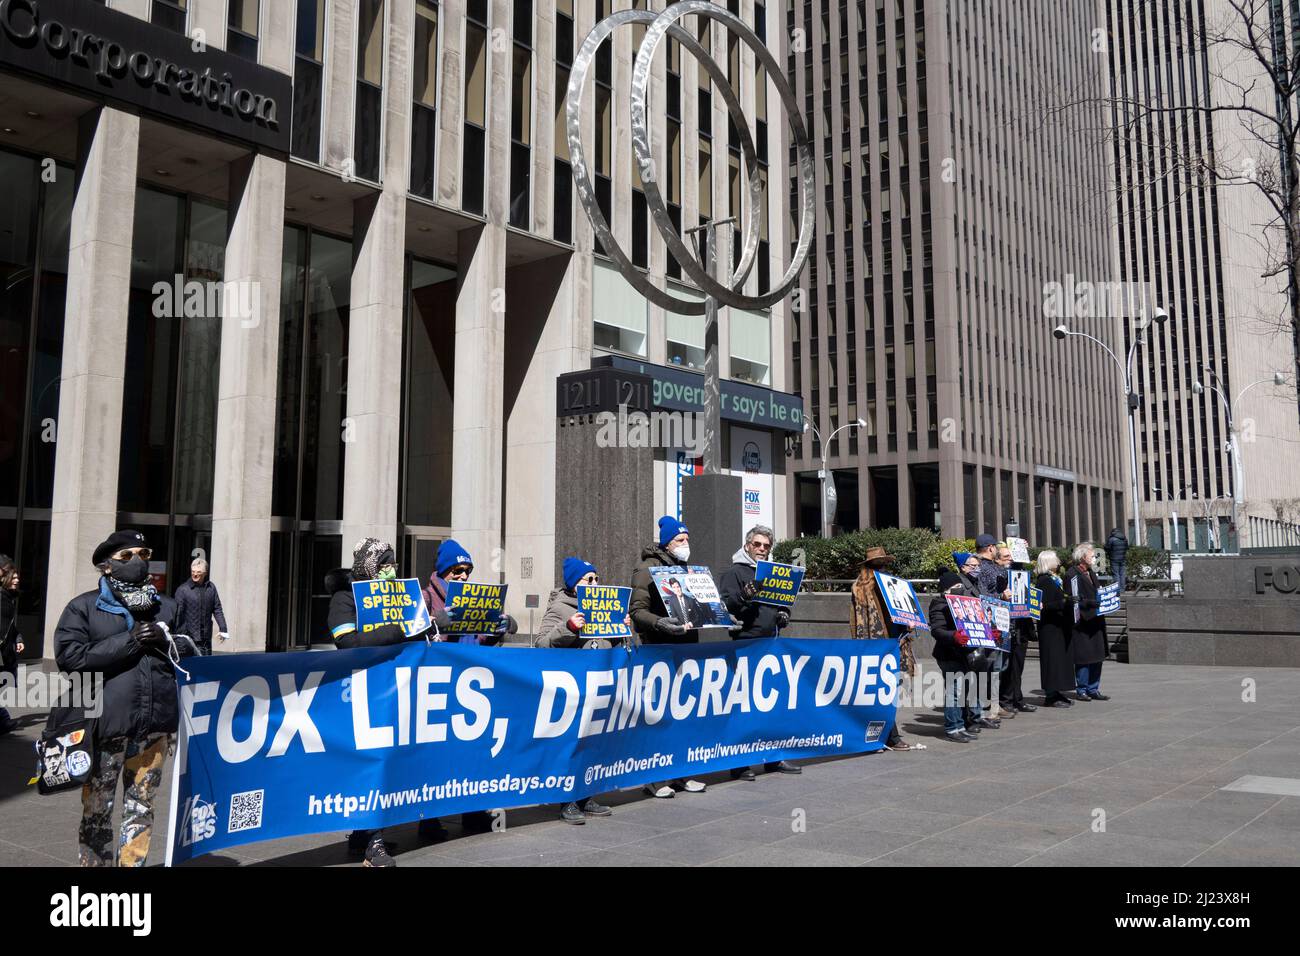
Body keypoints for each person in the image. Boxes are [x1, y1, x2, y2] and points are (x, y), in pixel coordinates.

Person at [54, 530, 193, 866]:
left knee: (142, 808)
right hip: (106, 728)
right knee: (97, 810)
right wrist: (129, 641)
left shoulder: (168, 606)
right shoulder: (84, 606)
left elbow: (194, 650)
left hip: (155, 729)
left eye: (143, 554)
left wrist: (169, 644)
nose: (137, 562)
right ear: (107, 565)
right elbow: (70, 658)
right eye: (126, 556)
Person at [327, 537, 439, 867]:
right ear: (370, 567)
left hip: (397, 692)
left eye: (394, 563)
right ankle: (373, 845)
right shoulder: (344, 598)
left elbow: (418, 634)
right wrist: (399, 630)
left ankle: (364, 832)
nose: (392, 570)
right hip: (362, 694)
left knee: (388, 760)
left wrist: (428, 627)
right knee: (373, 763)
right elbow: (348, 643)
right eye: (385, 563)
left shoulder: (401, 599)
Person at [533, 557, 618, 823]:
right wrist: (569, 628)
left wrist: (619, 629)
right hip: (573, 686)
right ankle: (566, 798)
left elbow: (608, 644)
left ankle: (585, 795)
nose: (594, 584)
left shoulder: (601, 605)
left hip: (597, 683)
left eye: (596, 579)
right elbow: (542, 644)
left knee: (591, 742)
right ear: (573, 584)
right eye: (587, 580)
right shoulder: (560, 608)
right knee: (570, 743)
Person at [630, 516, 708, 796]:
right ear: (667, 542)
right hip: (659, 649)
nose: (686, 544)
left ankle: (681, 773)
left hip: (685, 649)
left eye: (687, 539)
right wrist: (659, 623)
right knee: (658, 715)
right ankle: (653, 777)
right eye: (680, 539)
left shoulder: (686, 569)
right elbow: (637, 611)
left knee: (683, 714)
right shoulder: (647, 568)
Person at [716, 525, 800, 778]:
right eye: (757, 544)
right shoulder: (734, 572)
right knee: (744, 705)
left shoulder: (775, 572)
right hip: (745, 643)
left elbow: (781, 602)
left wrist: (784, 613)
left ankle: (773, 758)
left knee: (773, 704)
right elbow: (726, 605)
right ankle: (739, 764)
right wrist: (743, 596)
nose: (762, 549)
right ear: (747, 545)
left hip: (771, 642)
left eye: (766, 546)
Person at [849, 546, 917, 752]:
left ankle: (880, 735)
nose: (883, 567)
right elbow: (860, 620)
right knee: (882, 691)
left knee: (887, 691)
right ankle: (889, 736)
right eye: (879, 564)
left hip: (894, 641)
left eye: (885, 563)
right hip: (878, 644)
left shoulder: (892, 584)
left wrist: (909, 621)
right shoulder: (862, 587)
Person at [422, 539, 518, 645]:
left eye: (468, 571)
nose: (464, 576)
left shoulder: (472, 598)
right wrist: (434, 624)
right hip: (441, 660)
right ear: (444, 569)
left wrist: (498, 629)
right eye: (458, 570)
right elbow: (408, 638)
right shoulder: (426, 597)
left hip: (469, 660)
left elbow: (481, 643)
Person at [928, 571, 987, 742]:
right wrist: (954, 636)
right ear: (946, 589)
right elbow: (937, 630)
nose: (960, 589)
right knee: (955, 692)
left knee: (961, 692)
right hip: (948, 654)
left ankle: (960, 725)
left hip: (962, 653)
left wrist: (989, 634)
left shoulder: (963, 603)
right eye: (956, 587)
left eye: (961, 586)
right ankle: (952, 728)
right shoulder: (939, 604)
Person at [1063, 542, 1109, 702]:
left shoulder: (1091, 573)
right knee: (1084, 657)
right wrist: (1089, 603)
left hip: (1096, 620)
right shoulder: (1072, 574)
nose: (1094, 557)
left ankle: (1093, 688)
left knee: (1098, 655)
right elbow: (1071, 598)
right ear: (1083, 557)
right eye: (1092, 555)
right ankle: (1082, 689)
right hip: (1083, 621)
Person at [996, 545, 1036, 715]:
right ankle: (1006, 700)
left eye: (1011, 557)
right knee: (1006, 667)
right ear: (997, 559)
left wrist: (1021, 548)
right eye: (1006, 557)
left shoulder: (1018, 573)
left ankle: (1017, 698)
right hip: (1005, 626)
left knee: (1017, 666)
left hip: (1021, 625)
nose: (1010, 559)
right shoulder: (997, 575)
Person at [1034, 550, 1076, 707]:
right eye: (1056, 559)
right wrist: (1064, 603)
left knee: (1059, 660)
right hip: (1050, 627)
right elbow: (1042, 606)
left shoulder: (1054, 579)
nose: (1058, 562)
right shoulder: (1044, 581)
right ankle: (1051, 694)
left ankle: (1057, 691)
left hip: (1059, 625)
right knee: (1052, 660)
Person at [173, 558, 228, 655]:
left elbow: (217, 609)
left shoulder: (211, 587)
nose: (195, 574)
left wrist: (223, 628)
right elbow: (177, 615)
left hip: (206, 638)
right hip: (189, 638)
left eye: (199, 572)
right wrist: (180, 636)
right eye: (193, 571)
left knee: (207, 666)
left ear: (205, 573)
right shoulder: (183, 590)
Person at [0, 555, 24, 735]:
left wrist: (18, 639)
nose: (17, 579)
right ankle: (3, 721)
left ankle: (3, 721)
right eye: (13, 576)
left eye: (17, 576)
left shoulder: (9, 598)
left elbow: (9, 625)